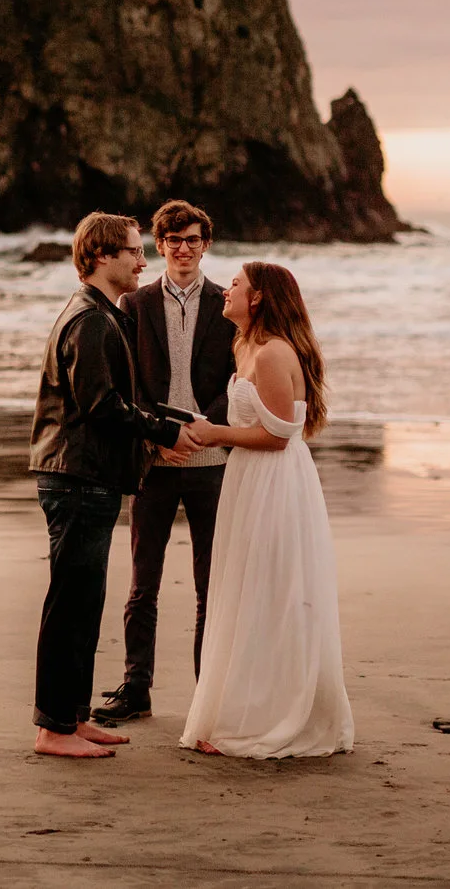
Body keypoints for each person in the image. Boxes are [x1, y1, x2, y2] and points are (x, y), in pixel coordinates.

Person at [28, 211, 206, 758]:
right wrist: (163, 433)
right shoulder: (90, 321)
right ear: (102, 256)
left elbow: (120, 399)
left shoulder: (103, 313)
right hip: (77, 477)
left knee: (85, 602)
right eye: (133, 250)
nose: (142, 259)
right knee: (71, 605)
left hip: (90, 477)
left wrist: (174, 422)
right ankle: (53, 729)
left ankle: (73, 718)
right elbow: (102, 407)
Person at [178, 260, 354, 759]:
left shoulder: (274, 352)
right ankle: (240, 709)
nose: (226, 289)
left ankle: (273, 718)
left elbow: (279, 436)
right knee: (246, 592)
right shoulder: (245, 345)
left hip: (274, 483)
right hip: (248, 479)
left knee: (271, 594)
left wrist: (215, 434)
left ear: (257, 298)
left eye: (236, 284)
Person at [93, 198, 237, 727]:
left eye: (193, 240)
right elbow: (129, 382)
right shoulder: (136, 303)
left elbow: (235, 382)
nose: (183, 249)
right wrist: (158, 439)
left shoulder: (228, 303)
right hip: (153, 461)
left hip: (211, 461)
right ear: (158, 246)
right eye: (173, 240)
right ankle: (136, 689)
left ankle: (208, 692)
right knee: (142, 584)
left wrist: (203, 432)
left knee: (210, 585)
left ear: (206, 245)